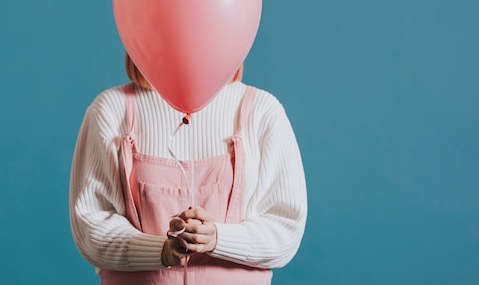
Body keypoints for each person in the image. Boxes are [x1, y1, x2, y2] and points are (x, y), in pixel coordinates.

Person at [69, 53, 307, 285]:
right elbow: (90, 228)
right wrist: (160, 251)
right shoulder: (111, 109)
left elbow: (285, 230)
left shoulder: (262, 111)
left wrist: (217, 238)